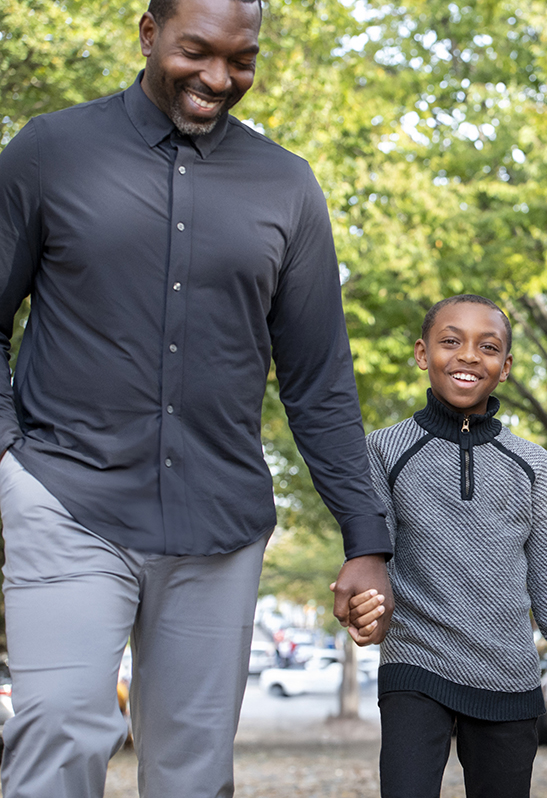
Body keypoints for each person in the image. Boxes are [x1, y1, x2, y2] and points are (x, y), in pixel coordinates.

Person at [0, 0, 394, 795]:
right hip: (67, 495)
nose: (218, 77)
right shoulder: (48, 152)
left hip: (219, 521)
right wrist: (10, 456)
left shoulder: (288, 186)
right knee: (61, 728)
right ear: (149, 35)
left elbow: (318, 380)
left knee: (193, 773)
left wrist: (366, 538)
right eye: (197, 51)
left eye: (241, 60)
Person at [365, 294, 547, 798]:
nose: (468, 355)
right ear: (422, 353)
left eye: (487, 347)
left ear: (505, 367)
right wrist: (364, 607)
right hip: (416, 663)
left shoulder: (532, 463)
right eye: (450, 341)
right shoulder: (384, 450)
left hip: (508, 677)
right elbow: (373, 561)